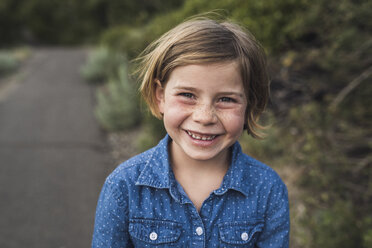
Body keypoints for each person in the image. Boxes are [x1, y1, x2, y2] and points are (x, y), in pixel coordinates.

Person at [92, 17, 290, 247]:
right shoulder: (123, 187)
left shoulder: (267, 189)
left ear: (249, 105)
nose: (204, 117)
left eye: (226, 99)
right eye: (187, 95)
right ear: (160, 96)